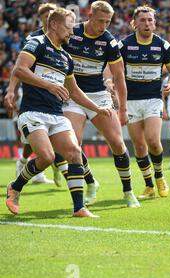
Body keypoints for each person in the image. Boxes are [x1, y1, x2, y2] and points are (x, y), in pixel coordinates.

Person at [5, 8, 113, 218]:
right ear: (54, 25)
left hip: (56, 114)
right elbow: (19, 70)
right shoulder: (36, 44)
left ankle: (79, 207)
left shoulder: (65, 57)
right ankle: (16, 186)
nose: (71, 32)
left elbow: (74, 91)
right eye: (68, 27)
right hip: (33, 112)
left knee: (74, 153)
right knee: (46, 157)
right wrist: (49, 86)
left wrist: (97, 108)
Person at [62, 1, 140, 207]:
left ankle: (128, 192)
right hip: (72, 96)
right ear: (89, 14)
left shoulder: (109, 41)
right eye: (99, 21)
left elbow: (119, 76)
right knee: (72, 146)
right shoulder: (72, 32)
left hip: (98, 96)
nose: (103, 26)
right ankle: (90, 183)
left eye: (107, 22)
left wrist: (123, 108)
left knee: (117, 143)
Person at [118, 5, 170, 199]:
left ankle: (160, 176)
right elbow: (113, 68)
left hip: (153, 99)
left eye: (150, 20)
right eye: (143, 20)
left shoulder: (162, 45)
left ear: (155, 23)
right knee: (139, 145)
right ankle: (149, 185)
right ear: (134, 23)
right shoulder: (124, 45)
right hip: (131, 100)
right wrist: (110, 80)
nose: (147, 23)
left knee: (153, 140)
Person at [4, 3, 64, 186]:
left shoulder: (63, 37)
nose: (48, 19)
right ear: (41, 18)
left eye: (51, 16)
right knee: (33, 136)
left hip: (58, 92)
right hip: (34, 92)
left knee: (59, 131)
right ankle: (24, 162)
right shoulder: (34, 38)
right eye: (45, 16)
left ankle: (53, 165)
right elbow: (19, 67)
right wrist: (11, 90)